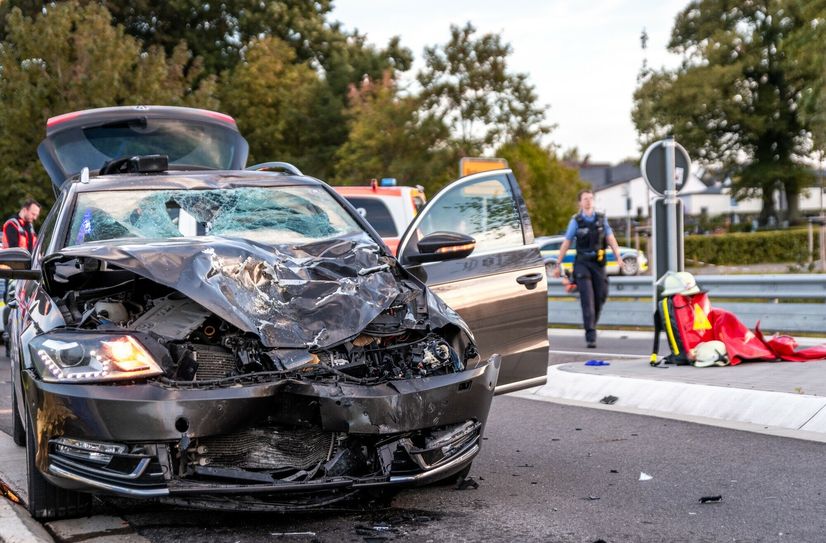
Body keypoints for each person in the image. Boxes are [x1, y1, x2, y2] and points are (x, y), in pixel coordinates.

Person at [553, 189, 621, 348]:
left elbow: (611, 239)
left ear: (594, 201)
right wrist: (558, 264)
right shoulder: (576, 221)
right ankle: (591, 335)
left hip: (598, 264)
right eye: (585, 199)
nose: (588, 201)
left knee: (601, 296)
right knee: (587, 300)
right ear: (580, 202)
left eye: (591, 198)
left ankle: (591, 323)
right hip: (582, 264)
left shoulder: (601, 220)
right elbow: (566, 242)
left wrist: (618, 256)